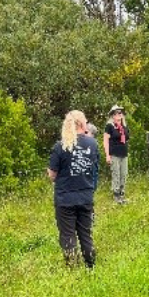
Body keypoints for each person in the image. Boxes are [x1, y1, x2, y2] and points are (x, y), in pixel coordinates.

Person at [48, 110, 99, 268]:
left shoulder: (60, 146)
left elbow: (52, 174)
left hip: (65, 198)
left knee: (68, 234)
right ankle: (90, 264)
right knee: (85, 233)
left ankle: (72, 267)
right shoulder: (92, 144)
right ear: (82, 123)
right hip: (85, 196)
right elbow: (94, 169)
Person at [103, 104, 130, 204]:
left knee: (124, 174)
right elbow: (105, 141)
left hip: (124, 153)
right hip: (114, 153)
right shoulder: (109, 126)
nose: (119, 114)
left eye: (120, 112)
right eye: (116, 113)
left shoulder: (124, 126)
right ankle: (116, 195)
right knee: (116, 174)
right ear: (112, 115)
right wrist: (107, 155)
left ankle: (122, 194)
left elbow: (127, 139)